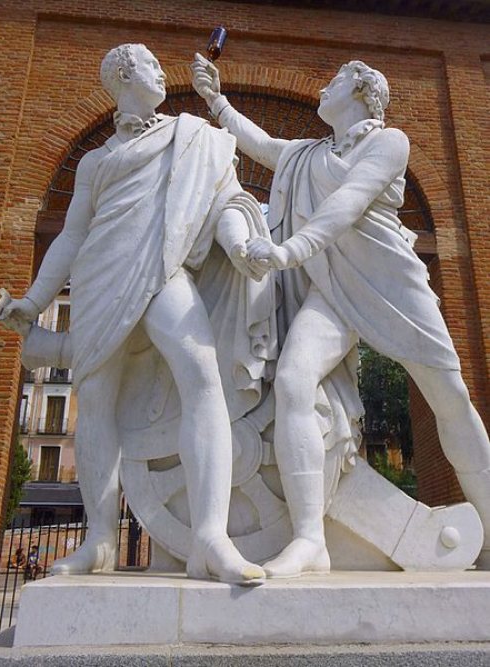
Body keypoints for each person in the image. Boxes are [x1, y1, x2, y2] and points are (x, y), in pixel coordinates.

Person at [191, 54, 490, 576]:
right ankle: (311, 541)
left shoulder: (388, 142)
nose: (321, 90)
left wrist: (287, 252)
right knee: (293, 381)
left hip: (389, 283)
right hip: (332, 291)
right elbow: (262, 146)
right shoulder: (309, 154)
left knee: (450, 397)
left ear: (361, 91)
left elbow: (346, 204)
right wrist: (217, 101)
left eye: (332, 83)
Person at [2, 43, 277, 584]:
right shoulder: (96, 161)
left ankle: (210, 538)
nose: (162, 72)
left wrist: (241, 245)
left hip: (164, 271)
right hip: (102, 275)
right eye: (151, 64)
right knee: (96, 398)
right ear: (126, 75)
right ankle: (100, 541)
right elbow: (73, 234)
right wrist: (34, 300)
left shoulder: (191, 136)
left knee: (202, 378)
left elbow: (224, 200)